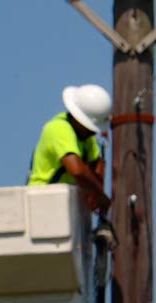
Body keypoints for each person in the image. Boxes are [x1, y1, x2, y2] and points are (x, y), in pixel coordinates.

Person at [27, 84, 112, 213]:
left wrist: (96, 193)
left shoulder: (85, 136)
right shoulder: (59, 129)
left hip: (64, 201)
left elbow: (97, 164)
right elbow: (77, 170)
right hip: (42, 200)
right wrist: (99, 195)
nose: (93, 133)